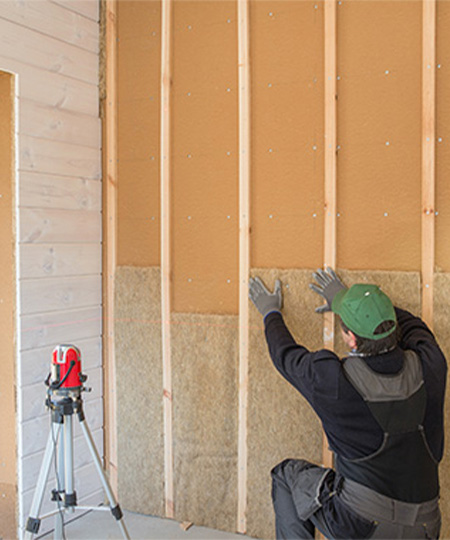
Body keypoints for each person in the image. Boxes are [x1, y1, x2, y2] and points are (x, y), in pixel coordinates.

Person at [248, 268, 446, 540]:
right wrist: (353, 303)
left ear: (351, 339)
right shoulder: (430, 363)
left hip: (362, 527)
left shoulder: (335, 382)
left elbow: (286, 356)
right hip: (426, 529)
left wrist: (270, 313)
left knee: (286, 475)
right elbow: (413, 325)